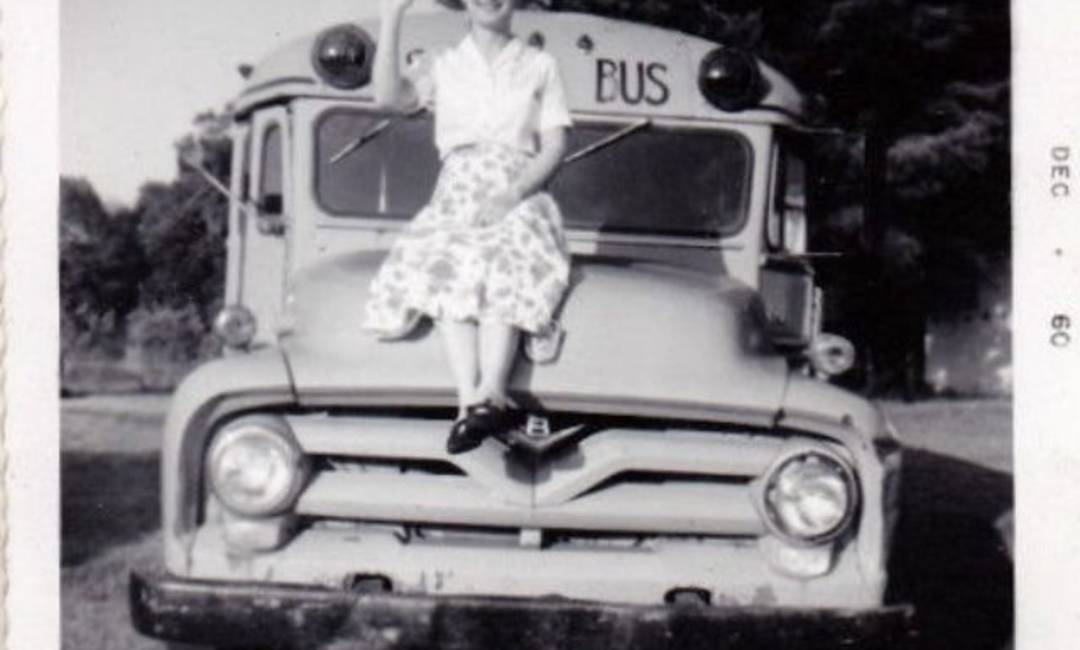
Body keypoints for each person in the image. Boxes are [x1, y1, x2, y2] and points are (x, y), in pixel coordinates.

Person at [363, 0, 573, 454]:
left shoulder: (540, 64)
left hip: (517, 186)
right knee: (442, 254)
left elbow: (554, 145)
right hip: (458, 187)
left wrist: (513, 195)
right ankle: (467, 403)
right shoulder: (443, 63)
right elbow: (387, 98)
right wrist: (392, 15)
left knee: (509, 251)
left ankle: (492, 390)